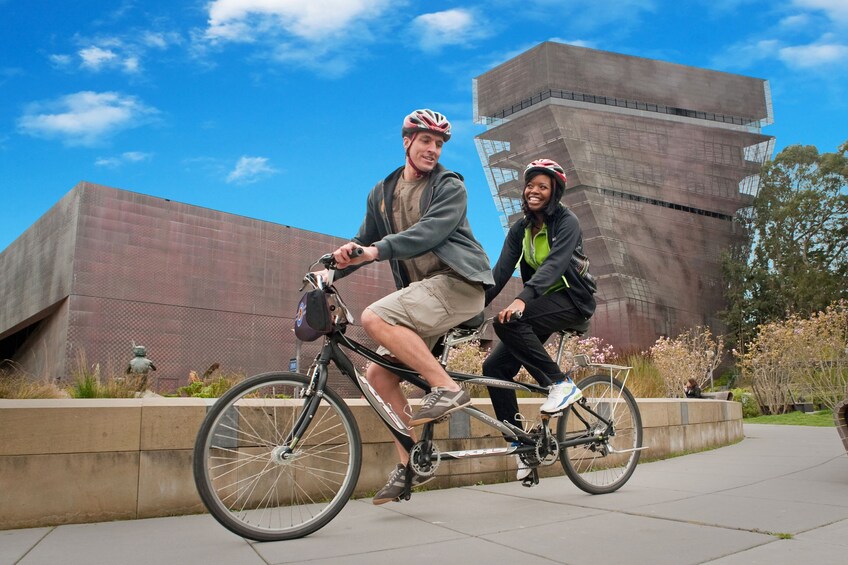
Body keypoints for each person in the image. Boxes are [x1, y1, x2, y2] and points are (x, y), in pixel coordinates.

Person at [327, 109, 494, 504]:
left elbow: (428, 233)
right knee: (379, 378)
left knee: (375, 316)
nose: (433, 149)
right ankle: (410, 465)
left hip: (460, 283)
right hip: (426, 293)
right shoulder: (381, 193)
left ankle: (446, 387)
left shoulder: (450, 186)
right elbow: (363, 242)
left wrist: (375, 251)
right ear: (407, 142)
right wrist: (331, 269)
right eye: (425, 141)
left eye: (438, 144)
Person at [482, 158, 597, 480]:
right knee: (494, 369)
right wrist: (472, 309)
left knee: (506, 322)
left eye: (542, 186)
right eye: (530, 185)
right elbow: (501, 272)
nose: (534, 191)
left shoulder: (567, 222)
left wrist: (521, 300)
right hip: (544, 302)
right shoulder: (520, 229)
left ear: (554, 192)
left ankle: (560, 383)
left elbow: (555, 265)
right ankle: (522, 447)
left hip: (573, 300)